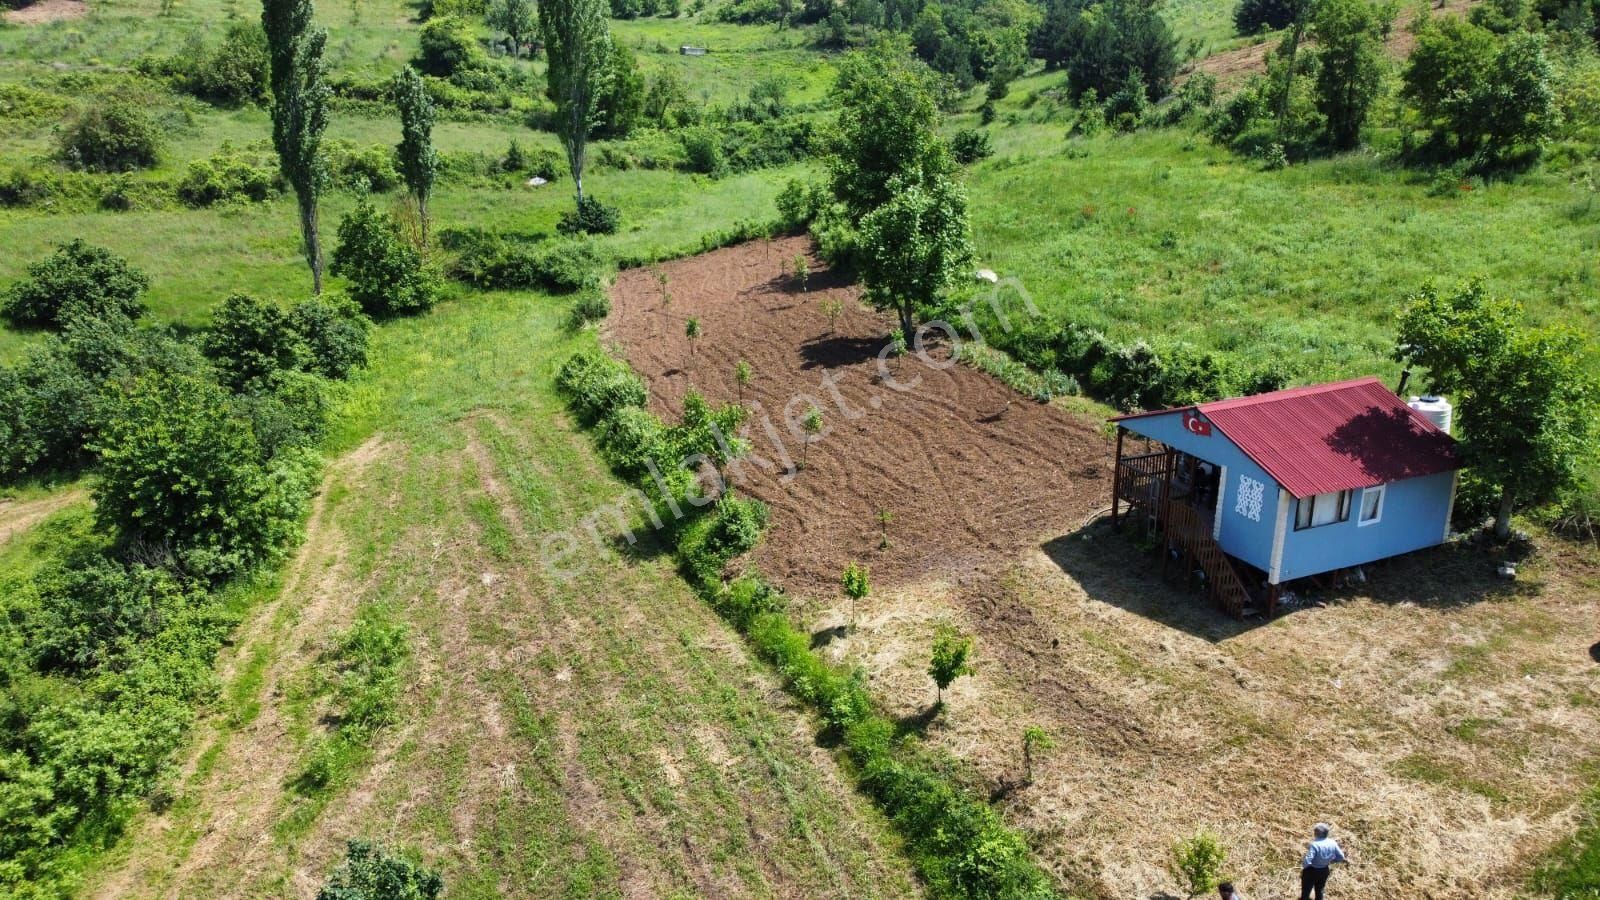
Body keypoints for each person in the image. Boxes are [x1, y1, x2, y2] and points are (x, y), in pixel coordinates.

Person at [1300, 823, 1347, 900]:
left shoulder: (1315, 845)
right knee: (1320, 890)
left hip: (1311, 871)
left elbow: (1307, 860)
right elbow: (1341, 857)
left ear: (1316, 833)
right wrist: (1331, 861)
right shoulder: (1332, 842)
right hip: (1324, 870)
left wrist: (1305, 868)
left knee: (1306, 891)